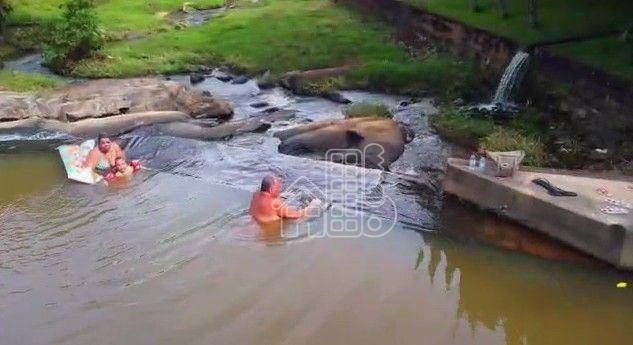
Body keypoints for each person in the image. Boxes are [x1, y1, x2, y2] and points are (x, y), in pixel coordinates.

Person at [249, 175, 322, 223]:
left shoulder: (255, 194)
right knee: (302, 218)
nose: (280, 189)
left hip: (255, 222)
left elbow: (266, 199)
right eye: (278, 188)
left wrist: (280, 195)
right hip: (269, 227)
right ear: (271, 189)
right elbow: (297, 215)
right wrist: (312, 205)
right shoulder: (275, 203)